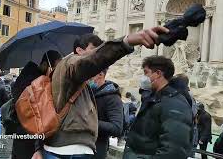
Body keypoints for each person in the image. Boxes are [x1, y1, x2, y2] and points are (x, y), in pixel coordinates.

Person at [37, 26, 169, 159]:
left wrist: (38, 147)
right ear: (79, 51)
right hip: (68, 150)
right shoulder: (70, 63)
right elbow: (94, 61)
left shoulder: (79, 81)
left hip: (64, 148)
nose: (97, 55)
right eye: (94, 50)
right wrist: (126, 42)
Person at [123, 56, 193, 159]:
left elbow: (173, 151)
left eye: (146, 73)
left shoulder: (174, 103)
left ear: (158, 73)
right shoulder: (154, 99)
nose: (143, 77)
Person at [11, 50, 62, 159]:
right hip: (27, 134)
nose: (56, 71)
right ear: (45, 65)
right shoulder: (34, 82)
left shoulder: (29, 76)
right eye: (55, 68)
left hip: (25, 133)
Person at [89, 69, 123, 159]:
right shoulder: (90, 92)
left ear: (100, 74)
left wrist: (91, 121)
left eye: (90, 74)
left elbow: (117, 128)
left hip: (97, 149)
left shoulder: (112, 97)